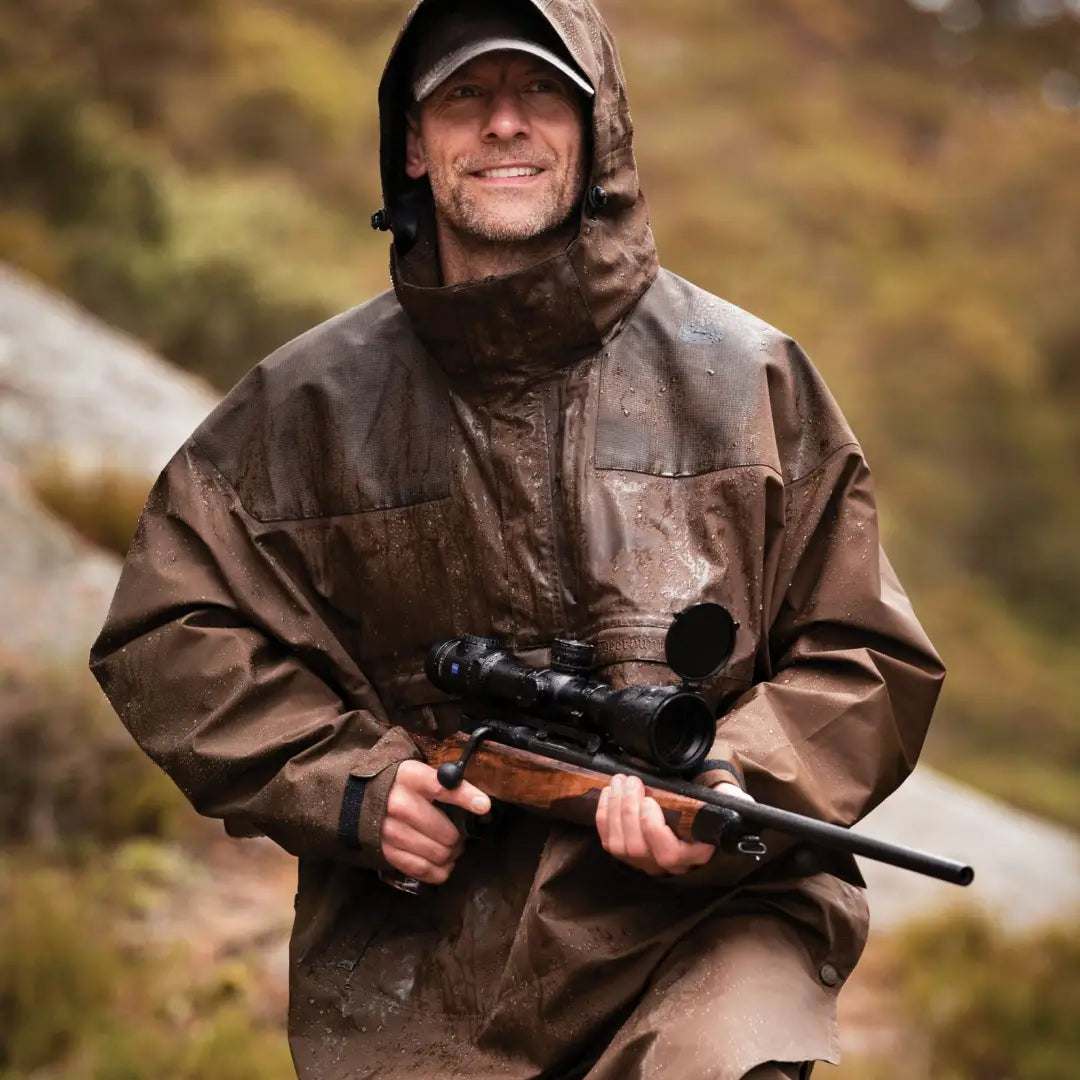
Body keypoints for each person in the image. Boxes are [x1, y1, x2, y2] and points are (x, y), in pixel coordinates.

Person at [90, 0, 945, 1077]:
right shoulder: (301, 406)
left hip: (709, 925)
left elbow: (868, 652)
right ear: (413, 140)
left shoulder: (752, 379)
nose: (504, 123)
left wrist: (735, 780)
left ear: (598, 130)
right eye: (465, 95)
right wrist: (350, 785)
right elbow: (169, 628)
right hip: (420, 970)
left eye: (541, 90)